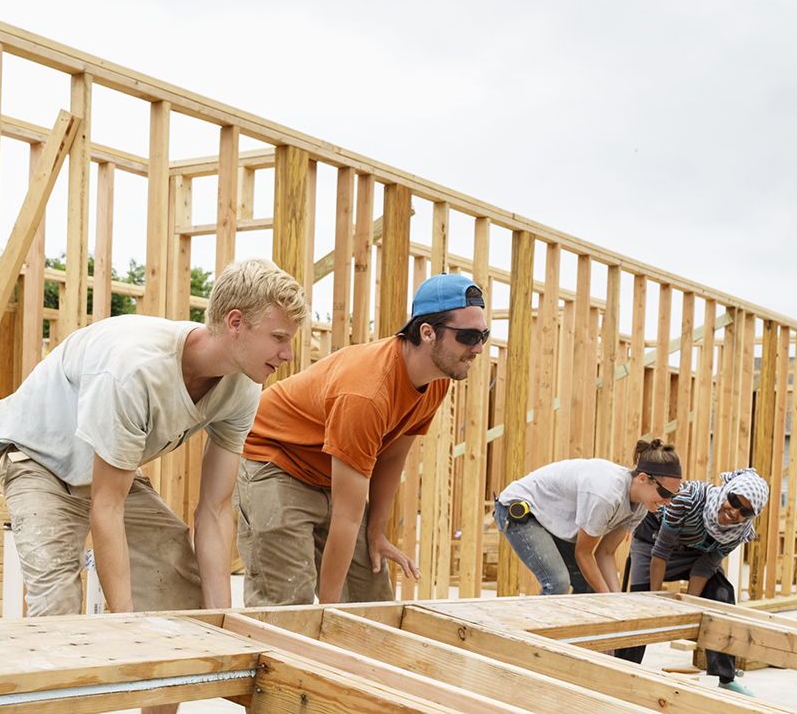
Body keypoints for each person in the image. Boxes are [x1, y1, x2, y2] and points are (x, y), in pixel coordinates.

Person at [0, 258, 306, 621]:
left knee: (181, 582)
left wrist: (220, 622)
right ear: (235, 323)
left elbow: (214, 510)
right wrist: (126, 625)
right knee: (58, 610)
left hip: (108, 470)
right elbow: (108, 507)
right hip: (40, 461)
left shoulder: (244, 387)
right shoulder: (136, 371)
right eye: (279, 338)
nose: (288, 355)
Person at [236, 274, 487, 605]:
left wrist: (377, 532)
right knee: (289, 605)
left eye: (483, 335)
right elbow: (346, 515)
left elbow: (393, 456)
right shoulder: (367, 392)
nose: (478, 348)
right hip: (277, 461)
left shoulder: (437, 379)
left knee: (372, 601)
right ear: (427, 333)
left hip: (332, 469)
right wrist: (327, 612)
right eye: (468, 336)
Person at [615, 465, 768, 697]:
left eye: (745, 511)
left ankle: (726, 679)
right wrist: (655, 602)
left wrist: (688, 609)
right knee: (641, 606)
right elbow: (661, 551)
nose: (735, 512)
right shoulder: (689, 499)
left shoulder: (740, 530)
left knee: (722, 595)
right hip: (654, 542)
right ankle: (623, 674)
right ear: (727, 492)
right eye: (735, 501)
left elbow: (705, 566)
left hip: (696, 552)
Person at [495, 441, 682, 595]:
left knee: (589, 586)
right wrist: (608, 600)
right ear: (642, 478)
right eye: (665, 492)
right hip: (522, 509)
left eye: (673, 495)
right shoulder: (606, 495)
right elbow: (583, 553)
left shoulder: (640, 506)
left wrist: (617, 601)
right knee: (557, 583)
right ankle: (536, 639)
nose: (667, 501)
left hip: (548, 518)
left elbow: (605, 552)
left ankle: (574, 639)